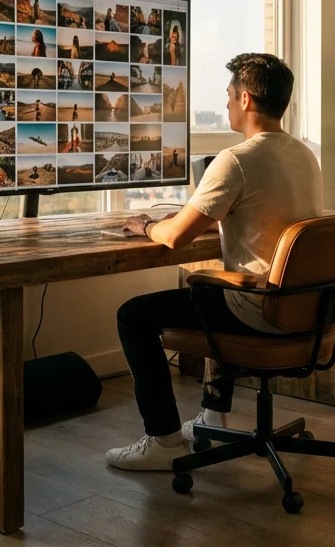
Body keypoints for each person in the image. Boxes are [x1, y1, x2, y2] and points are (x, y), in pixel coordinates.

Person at [104, 53, 319, 470]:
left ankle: (163, 441)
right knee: (214, 286)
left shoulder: (236, 160)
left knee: (134, 315)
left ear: (246, 100)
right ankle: (213, 413)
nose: (224, 105)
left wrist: (145, 225)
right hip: (305, 307)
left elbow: (176, 237)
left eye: (227, 96)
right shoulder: (304, 155)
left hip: (258, 308)